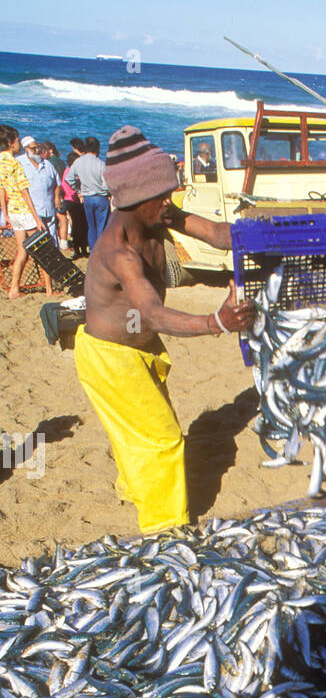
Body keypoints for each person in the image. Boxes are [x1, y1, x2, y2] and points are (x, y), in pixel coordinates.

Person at [73, 125, 254, 534]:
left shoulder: (158, 215)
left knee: (142, 427)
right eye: (163, 195)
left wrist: (257, 235)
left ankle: (137, 490)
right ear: (137, 198)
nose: (170, 202)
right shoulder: (119, 251)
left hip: (140, 349)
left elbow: (216, 234)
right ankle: (164, 530)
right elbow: (153, 313)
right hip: (110, 358)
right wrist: (216, 322)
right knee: (163, 439)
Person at [0, 124, 57, 299]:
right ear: (11, 143)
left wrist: (5, 213)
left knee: (22, 251)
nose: (18, 144)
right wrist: (36, 218)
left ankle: (14, 289)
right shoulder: (15, 163)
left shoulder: (1, 161)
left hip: (13, 212)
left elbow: (2, 189)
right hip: (24, 211)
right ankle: (49, 290)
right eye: (16, 141)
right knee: (41, 248)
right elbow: (25, 193)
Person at [67, 137, 111, 251]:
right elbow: (107, 184)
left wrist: (78, 190)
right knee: (102, 227)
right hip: (101, 198)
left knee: (91, 227)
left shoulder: (79, 162)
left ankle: (93, 250)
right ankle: (101, 251)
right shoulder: (100, 163)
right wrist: (106, 192)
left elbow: (69, 178)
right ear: (97, 148)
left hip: (87, 198)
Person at [19, 135, 62, 242]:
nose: (37, 150)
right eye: (34, 148)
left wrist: (57, 198)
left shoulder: (47, 164)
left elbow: (57, 183)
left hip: (49, 208)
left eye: (38, 147)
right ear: (26, 149)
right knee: (39, 242)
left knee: (52, 238)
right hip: (32, 210)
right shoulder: (20, 163)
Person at [62, 151, 88, 258]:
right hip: (72, 201)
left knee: (82, 225)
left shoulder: (73, 171)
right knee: (78, 226)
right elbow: (67, 187)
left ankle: (82, 248)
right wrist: (78, 193)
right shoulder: (69, 172)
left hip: (76, 201)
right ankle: (78, 249)